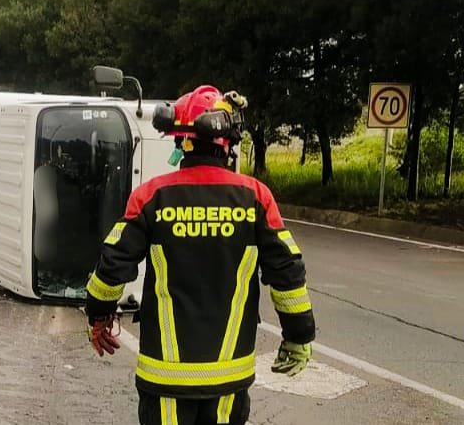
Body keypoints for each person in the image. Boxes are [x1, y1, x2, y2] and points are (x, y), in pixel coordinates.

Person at [84, 86, 316, 425]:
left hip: (165, 377)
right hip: (228, 377)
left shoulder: (151, 196)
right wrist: (298, 336)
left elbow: (112, 268)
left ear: (180, 142)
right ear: (228, 142)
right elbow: (287, 273)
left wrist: (99, 316)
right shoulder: (256, 198)